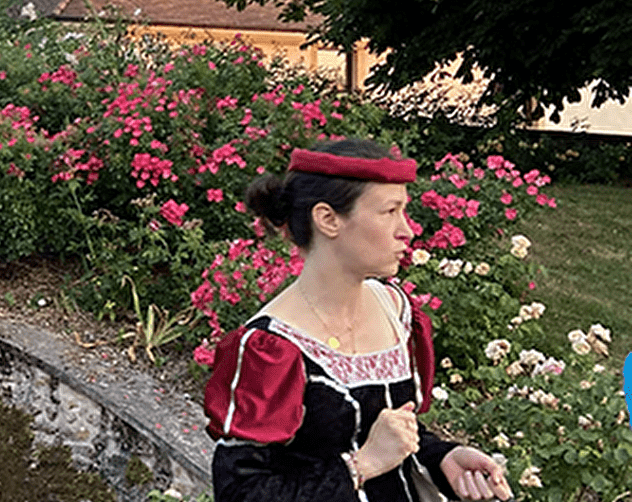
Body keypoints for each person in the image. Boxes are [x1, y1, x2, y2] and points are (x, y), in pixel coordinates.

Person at [203, 138, 513, 501]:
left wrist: (443, 458)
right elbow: (241, 492)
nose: (407, 230)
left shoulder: (394, 308)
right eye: (390, 211)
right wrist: (360, 466)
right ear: (328, 219)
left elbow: (391, 435)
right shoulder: (271, 348)